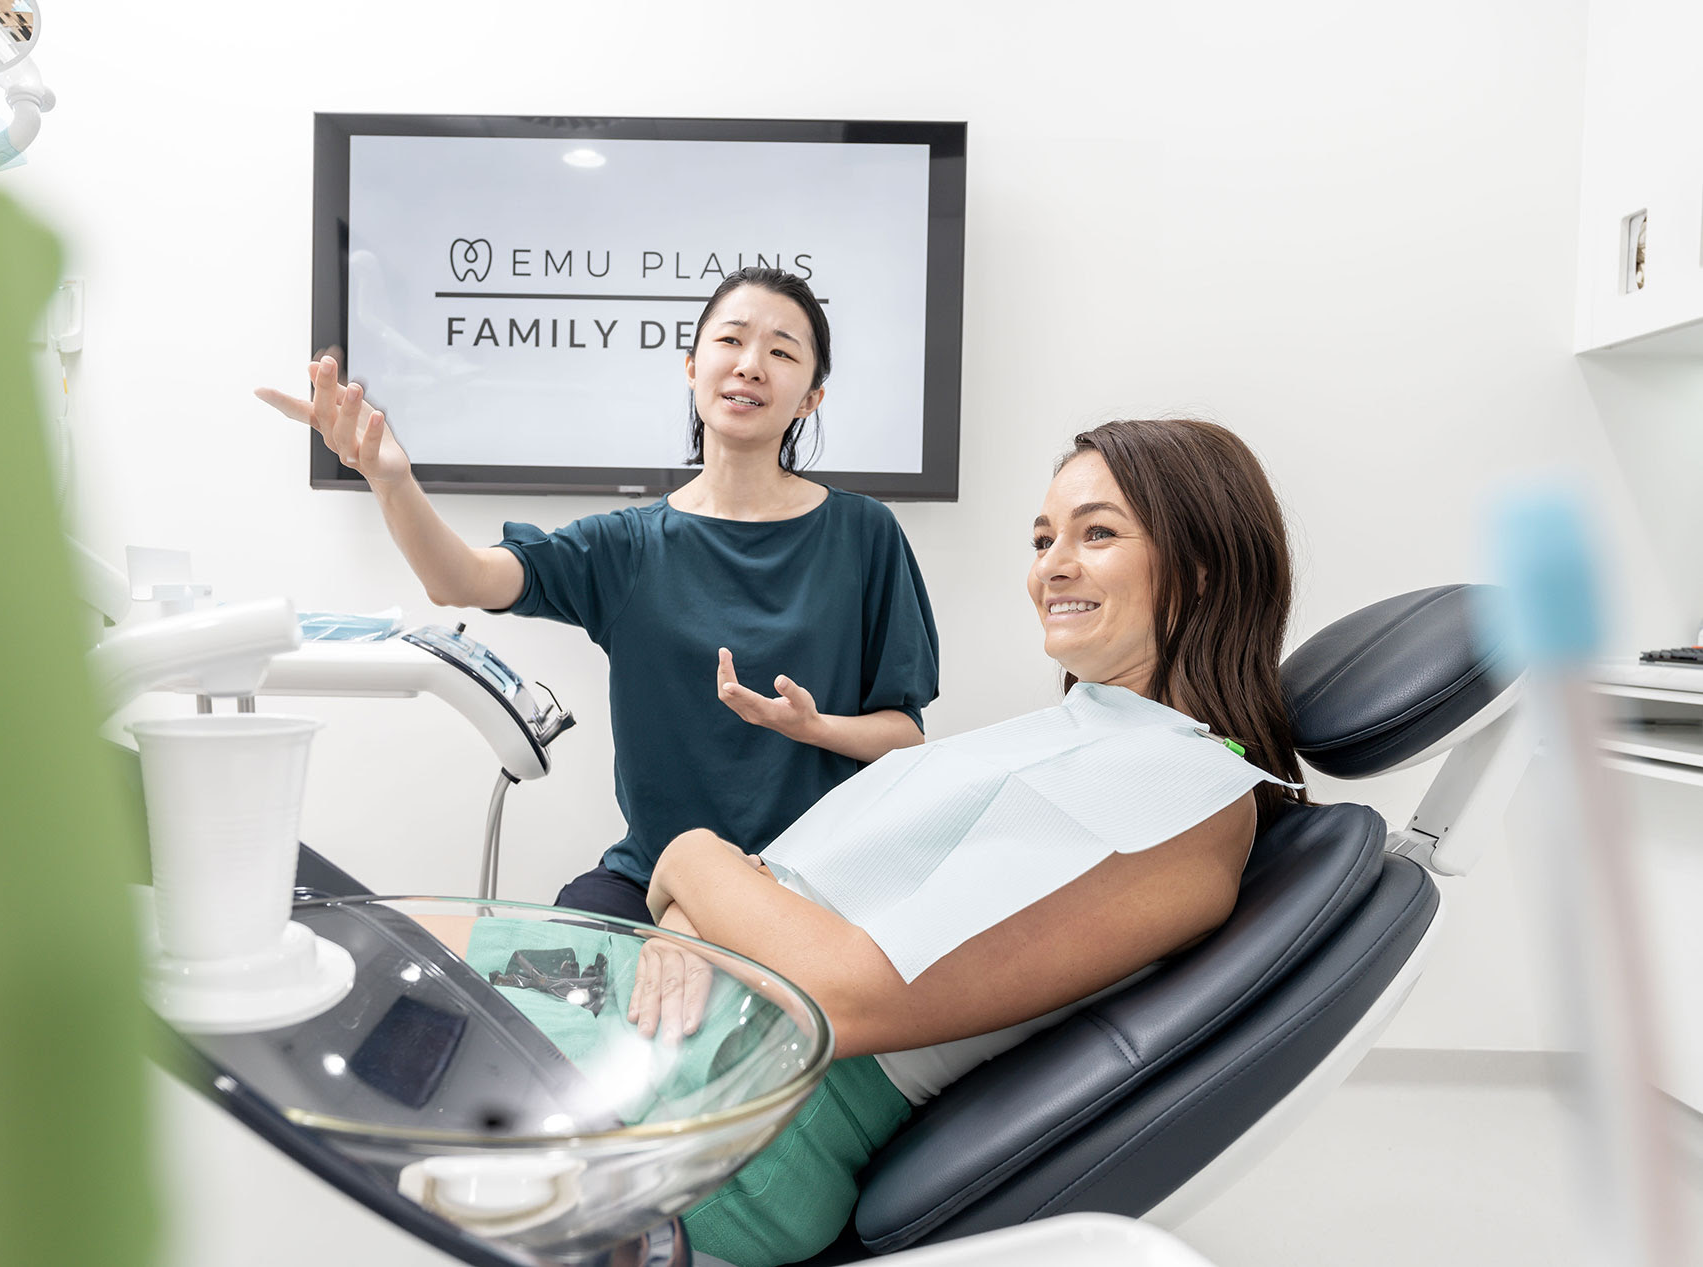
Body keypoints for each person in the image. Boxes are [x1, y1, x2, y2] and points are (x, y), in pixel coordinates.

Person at [626, 417, 1309, 1266]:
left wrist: (692, 856)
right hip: (692, 1028)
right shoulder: (1101, 734)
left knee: (420, 989)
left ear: (1203, 568)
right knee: (429, 961)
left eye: (1098, 532)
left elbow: (845, 991)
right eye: (1043, 537)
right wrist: (697, 911)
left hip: (733, 1110)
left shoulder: (1182, 793)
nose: (1051, 566)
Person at [256, 269, 939, 924]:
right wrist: (390, 479)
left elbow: (906, 735)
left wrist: (813, 727)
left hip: (811, 882)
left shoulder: (864, 534)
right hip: (653, 879)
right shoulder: (628, 547)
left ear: (811, 397)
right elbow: (460, 579)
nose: (751, 364)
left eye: (782, 351)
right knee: (557, 975)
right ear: (691, 365)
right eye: (730, 340)